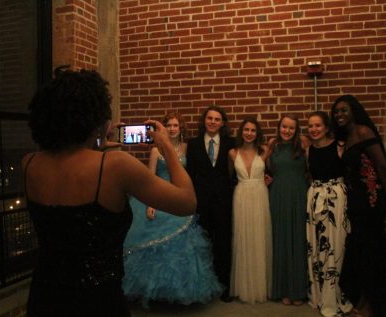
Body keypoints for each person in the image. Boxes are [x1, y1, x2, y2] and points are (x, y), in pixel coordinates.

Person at [22, 68, 196, 317]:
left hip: (44, 296)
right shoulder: (114, 165)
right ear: (96, 119)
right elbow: (187, 201)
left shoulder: (28, 164)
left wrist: (97, 141)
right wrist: (167, 146)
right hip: (97, 300)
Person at [122, 113, 223, 307]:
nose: (172, 128)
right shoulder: (155, 151)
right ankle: (153, 293)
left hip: (179, 196)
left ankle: (178, 294)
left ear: (181, 128)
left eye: (176, 125)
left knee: (181, 249)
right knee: (154, 247)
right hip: (158, 196)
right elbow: (149, 177)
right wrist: (150, 203)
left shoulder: (188, 149)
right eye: (168, 125)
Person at [330, 95, 386, 317]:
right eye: (336, 112)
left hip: (371, 201)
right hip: (357, 202)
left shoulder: (362, 131)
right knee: (360, 253)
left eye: (344, 110)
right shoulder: (348, 136)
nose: (339, 115)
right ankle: (362, 301)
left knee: (371, 254)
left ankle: (373, 307)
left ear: (354, 111)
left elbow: (382, 166)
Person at [186, 105, 236, 302]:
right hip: (202, 200)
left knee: (223, 244)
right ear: (204, 120)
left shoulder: (231, 143)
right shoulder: (193, 144)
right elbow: (190, 173)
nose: (213, 122)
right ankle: (205, 288)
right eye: (209, 118)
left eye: (217, 119)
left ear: (222, 123)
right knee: (203, 244)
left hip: (224, 200)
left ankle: (224, 287)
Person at [305, 111, 353, 316]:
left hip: (336, 201)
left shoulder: (340, 146)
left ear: (326, 127)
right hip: (315, 198)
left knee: (335, 245)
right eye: (310, 126)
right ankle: (319, 294)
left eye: (318, 125)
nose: (314, 129)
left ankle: (335, 295)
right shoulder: (309, 150)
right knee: (316, 246)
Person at [228, 117, 272, 304]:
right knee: (242, 237)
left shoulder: (265, 151)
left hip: (260, 196)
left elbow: (273, 170)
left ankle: (260, 286)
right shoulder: (232, 152)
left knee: (259, 237)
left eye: (253, 130)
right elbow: (228, 176)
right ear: (241, 131)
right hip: (241, 195)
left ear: (257, 133)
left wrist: (270, 178)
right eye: (246, 129)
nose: (249, 133)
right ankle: (244, 286)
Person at [268, 114, 309, 306]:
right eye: (284, 127)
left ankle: (298, 290)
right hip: (277, 195)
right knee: (281, 240)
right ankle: (283, 289)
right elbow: (265, 169)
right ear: (279, 127)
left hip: (299, 195)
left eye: (291, 128)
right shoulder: (272, 145)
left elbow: (312, 168)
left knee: (298, 239)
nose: (287, 131)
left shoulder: (303, 145)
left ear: (296, 129)